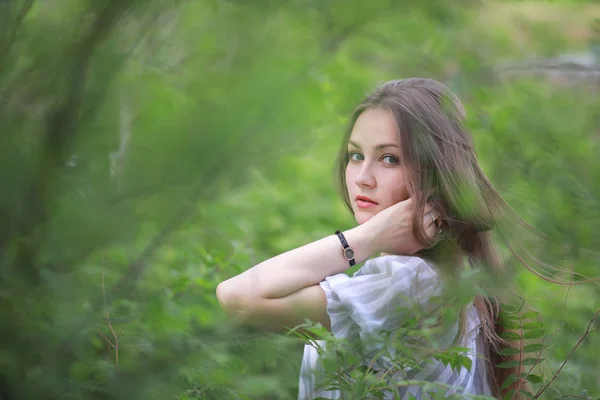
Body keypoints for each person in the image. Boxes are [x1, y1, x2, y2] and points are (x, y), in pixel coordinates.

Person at [216, 78, 526, 399]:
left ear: (436, 174)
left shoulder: (413, 282)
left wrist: (363, 238)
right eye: (355, 156)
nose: (362, 178)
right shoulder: (446, 272)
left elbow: (236, 297)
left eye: (389, 158)